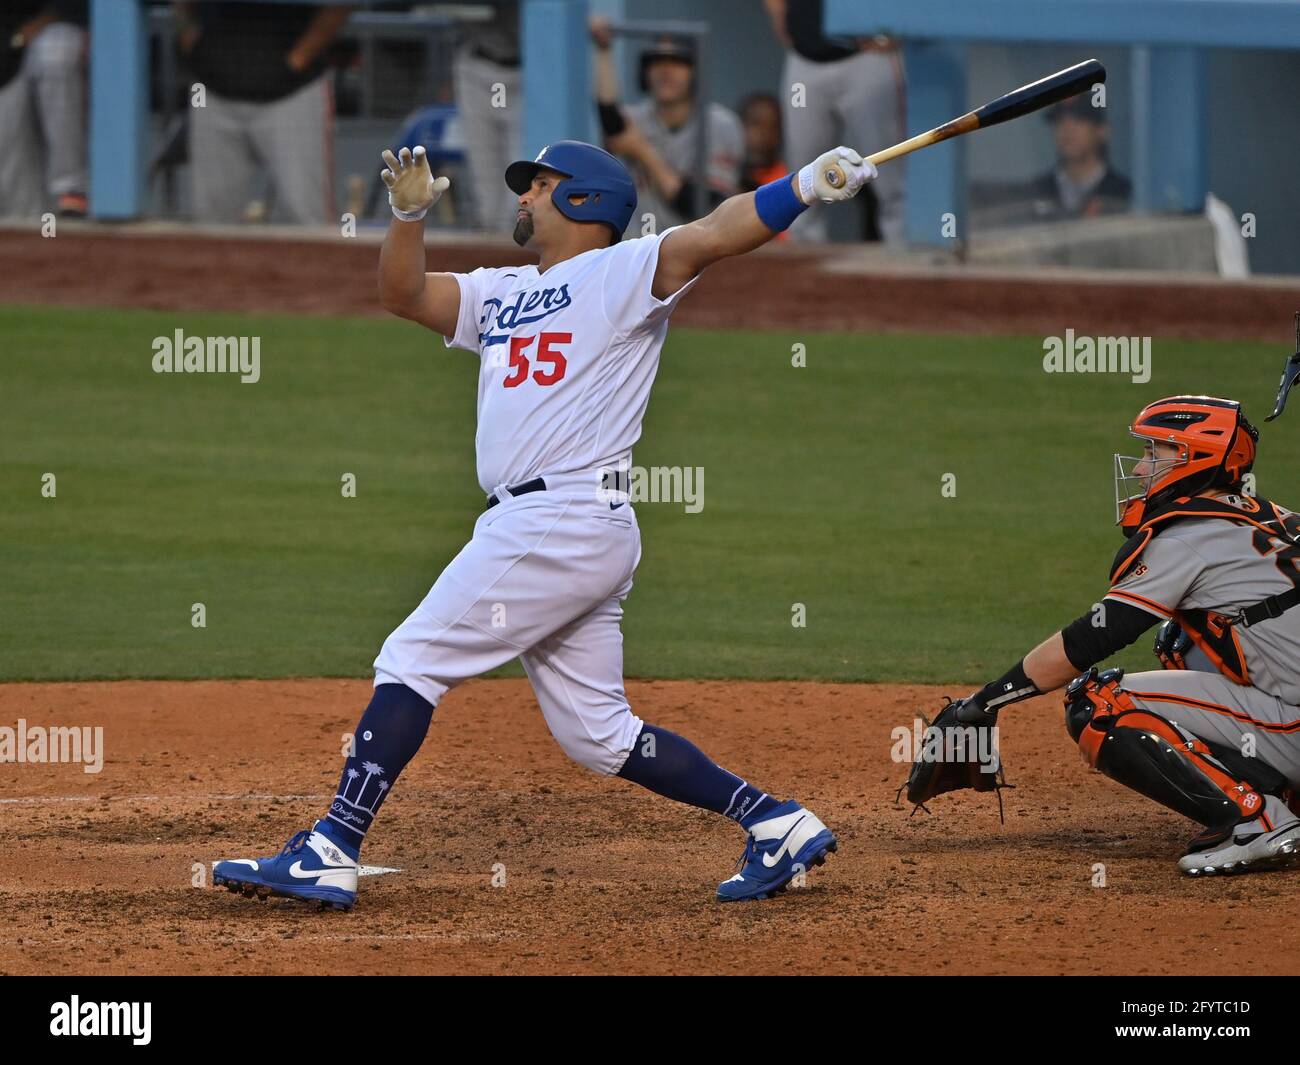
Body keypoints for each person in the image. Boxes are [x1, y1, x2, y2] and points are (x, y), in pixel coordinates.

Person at [213, 136, 881, 908]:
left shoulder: (622, 272)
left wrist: (803, 184)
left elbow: (715, 233)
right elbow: (402, 294)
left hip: (559, 514)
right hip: (562, 525)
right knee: (597, 733)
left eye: (539, 184)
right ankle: (776, 823)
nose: (523, 197)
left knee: (413, 656)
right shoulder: (501, 290)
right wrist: (406, 216)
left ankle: (331, 846)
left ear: (584, 198)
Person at [908, 397, 1300, 877]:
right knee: (1179, 639)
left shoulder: (1188, 539)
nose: (1140, 467)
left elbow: (1092, 638)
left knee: (1098, 704)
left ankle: (1259, 822)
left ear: (1194, 458)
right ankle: (1287, 793)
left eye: (1157, 452)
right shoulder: (1264, 515)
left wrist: (985, 702)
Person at [176, 1, 352, 225]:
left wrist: (297, 60)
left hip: (293, 92)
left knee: (308, 214)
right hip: (212, 88)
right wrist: (189, 38)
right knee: (211, 218)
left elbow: (341, 6)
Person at [763, 0, 905, 243]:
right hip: (805, 56)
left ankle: (906, 253)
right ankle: (803, 262)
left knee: (889, 166)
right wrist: (778, 12)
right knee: (802, 171)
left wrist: (901, 25)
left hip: (867, 55)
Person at [591, 19, 743, 233]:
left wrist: (642, 151)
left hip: (698, 251)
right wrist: (603, 50)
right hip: (638, 248)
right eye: (658, 61)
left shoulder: (721, 125)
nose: (665, 71)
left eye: (677, 62)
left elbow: (703, 206)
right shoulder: (635, 117)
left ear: (695, 70)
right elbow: (608, 113)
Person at [0, 1, 88, 218]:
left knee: (55, 53)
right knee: (17, 199)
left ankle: (70, 190)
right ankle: (37, 234)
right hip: (7, 60)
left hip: (55, 34)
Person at [450, 0, 521, 232]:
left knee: (520, 189)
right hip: (477, 65)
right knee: (487, 198)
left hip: (527, 71)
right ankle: (493, 263)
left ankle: (519, 262)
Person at [1027, 94, 1131, 220]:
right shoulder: (1037, 191)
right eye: (1059, 120)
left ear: (1102, 131)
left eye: (1079, 119)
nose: (1067, 128)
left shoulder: (1123, 193)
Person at [738, 92, 786, 192]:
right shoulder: (725, 173)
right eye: (755, 124)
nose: (764, 133)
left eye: (772, 127)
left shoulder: (785, 180)